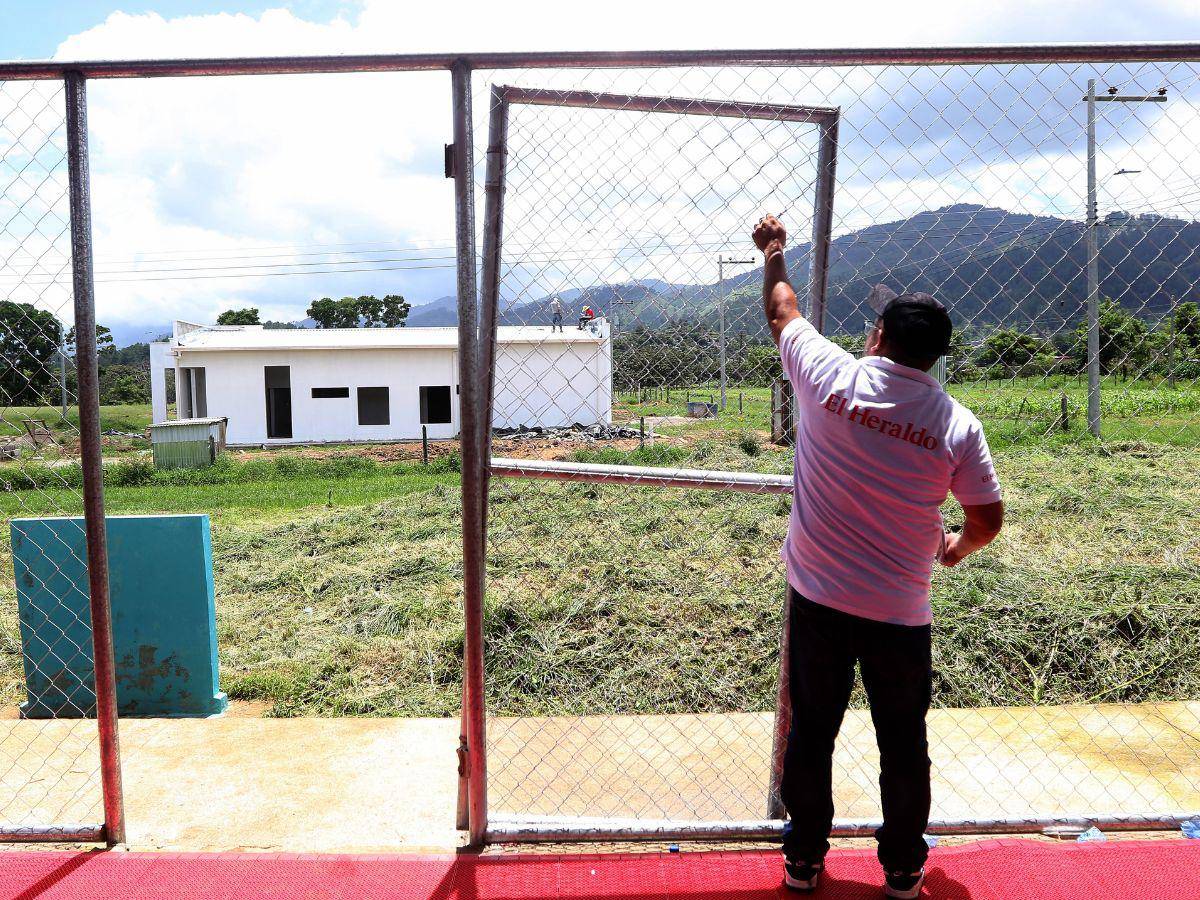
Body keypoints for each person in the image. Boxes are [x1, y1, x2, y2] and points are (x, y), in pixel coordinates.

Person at [751, 215, 1004, 898]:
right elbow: (988, 516)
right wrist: (954, 549)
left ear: (879, 338)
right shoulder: (954, 423)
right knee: (902, 743)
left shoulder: (830, 375)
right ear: (937, 356)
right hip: (900, 612)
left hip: (820, 603)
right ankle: (901, 870)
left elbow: (782, 310)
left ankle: (803, 859)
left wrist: (774, 250)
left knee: (812, 733)